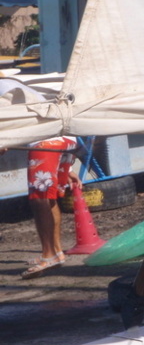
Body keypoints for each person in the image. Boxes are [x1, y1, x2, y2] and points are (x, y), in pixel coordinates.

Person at [0, 78, 82, 279]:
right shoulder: (13, 83)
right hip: (66, 138)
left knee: (40, 198)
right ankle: (57, 251)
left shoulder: (2, 90)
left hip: (46, 141)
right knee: (50, 196)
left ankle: (49, 255)